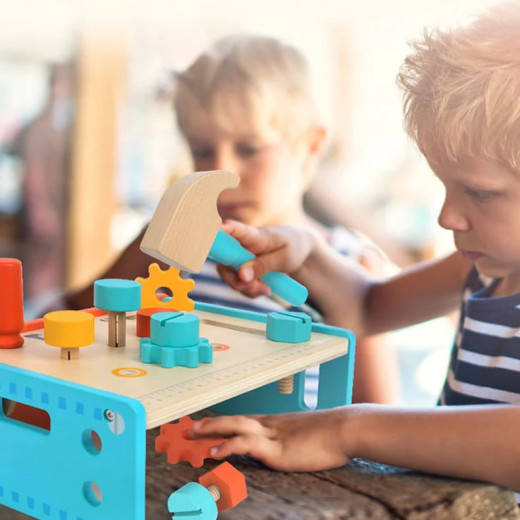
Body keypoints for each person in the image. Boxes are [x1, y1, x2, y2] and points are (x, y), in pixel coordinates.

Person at [188, 3, 520, 493]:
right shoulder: (484, 268)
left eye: (481, 192)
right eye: (445, 187)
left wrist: (348, 429)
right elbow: (366, 308)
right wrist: (308, 253)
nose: (448, 217)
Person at [67, 35, 400, 405]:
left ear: (310, 146)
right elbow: (66, 324)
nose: (221, 171)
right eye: (202, 150)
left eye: (249, 148)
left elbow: (377, 414)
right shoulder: (166, 249)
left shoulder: (352, 265)